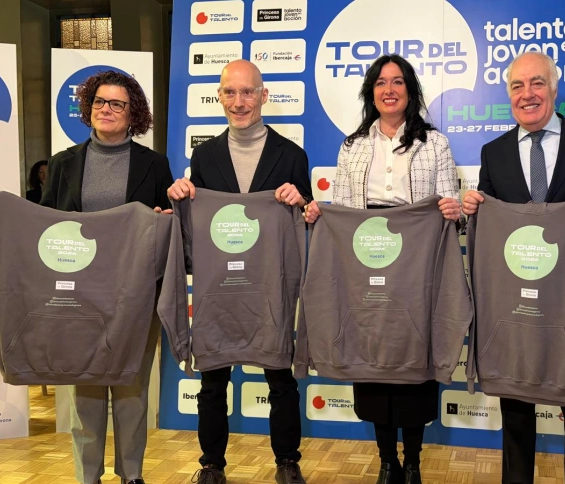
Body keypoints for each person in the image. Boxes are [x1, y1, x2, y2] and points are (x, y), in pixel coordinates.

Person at [303, 54, 461, 484]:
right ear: (370, 92)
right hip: (365, 255)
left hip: (416, 260)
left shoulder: (435, 143)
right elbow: (344, 208)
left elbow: (449, 206)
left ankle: (413, 461)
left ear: (410, 90)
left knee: (413, 354)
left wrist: (454, 210)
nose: (388, 90)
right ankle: (387, 460)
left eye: (397, 82)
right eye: (380, 83)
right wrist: (323, 214)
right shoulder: (352, 146)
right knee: (371, 349)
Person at [461, 51, 565, 484]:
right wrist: (473, 204)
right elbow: (489, 216)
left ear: (553, 88)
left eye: (536, 83)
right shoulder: (493, 152)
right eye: (517, 86)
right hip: (517, 294)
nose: (527, 94)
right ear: (508, 94)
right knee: (515, 395)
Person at [167, 59, 311, 484]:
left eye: (248, 92)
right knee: (213, 380)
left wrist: (300, 200)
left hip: (269, 287)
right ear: (219, 97)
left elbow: (305, 220)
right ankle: (211, 465)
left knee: (280, 377)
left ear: (263, 96)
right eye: (230, 92)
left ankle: (287, 462)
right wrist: (181, 193)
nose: (239, 101)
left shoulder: (292, 155)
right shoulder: (204, 155)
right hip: (220, 287)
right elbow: (195, 221)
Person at [39, 70, 173, 484]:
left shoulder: (154, 164)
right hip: (79, 293)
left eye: (117, 103)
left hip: (137, 293)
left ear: (133, 113)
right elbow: (43, 225)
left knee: (132, 387)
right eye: (100, 101)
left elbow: (170, 224)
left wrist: (161, 219)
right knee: (86, 388)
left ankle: (132, 474)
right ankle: (88, 476)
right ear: (89, 107)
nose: (107, 109)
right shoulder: (63, 163)